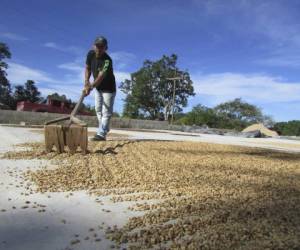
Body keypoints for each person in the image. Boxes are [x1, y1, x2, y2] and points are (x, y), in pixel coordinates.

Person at [84, 36, 116, 141]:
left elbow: (100, 77)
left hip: (109, 89)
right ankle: (103, 128)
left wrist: (91, 87)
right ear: (94, 46)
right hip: (98, 88)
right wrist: (86, 82)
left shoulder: (107, 60)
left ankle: (102, 134)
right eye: (97, 46)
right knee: (98, 109)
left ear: (106, 48)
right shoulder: (90, 54)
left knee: (106, 111)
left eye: (102, 47)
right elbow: (87, 68)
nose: (99, 49)